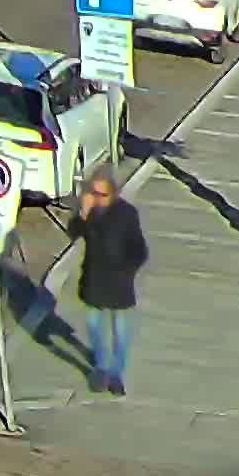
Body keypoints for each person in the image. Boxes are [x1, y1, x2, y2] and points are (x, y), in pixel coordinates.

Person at [74, 169, 150, 396]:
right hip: (94, 279)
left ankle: (116, 374)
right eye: (94, 193)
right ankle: (102, 368)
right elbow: (75, 233)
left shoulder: (126, 214)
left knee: (121, 331)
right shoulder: (90, 213)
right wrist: (84, 215)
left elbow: (139, 249)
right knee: (95, 327)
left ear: (113, 194)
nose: (98, 198)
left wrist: (128, 270)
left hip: (119, 281)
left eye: (102, 194)